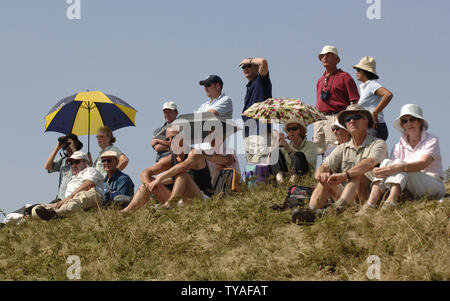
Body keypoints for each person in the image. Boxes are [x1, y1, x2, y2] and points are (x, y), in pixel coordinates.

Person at [357, 104, 446, 215]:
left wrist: (401, 167)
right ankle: (371, 203)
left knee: (399, 164)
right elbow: (391, 169)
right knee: (386, 162)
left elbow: (423, 163)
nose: (408, 123)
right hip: (409, 186)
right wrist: (379, 171)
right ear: (402, 125)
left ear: (420, 122)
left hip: (432, 184)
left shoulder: (431, 140)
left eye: (412, 119)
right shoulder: (398, 146)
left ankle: (391, 201)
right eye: (404, 121)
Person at [305, 104, 387, 218]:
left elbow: (369, 163)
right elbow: (325, 165)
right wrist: (321, 174)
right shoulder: (342, 148)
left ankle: (335, 210)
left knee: (357, 175)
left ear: (366, 121)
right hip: (347, 196)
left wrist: (345, 175)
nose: (351, 121)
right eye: (348, 119)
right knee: (326, 179)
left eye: (357, 117)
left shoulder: (378, 143)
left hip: (368, 196)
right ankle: (311, 212)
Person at [123, 125, 213, 211]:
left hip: (202, 200)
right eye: (167, 139)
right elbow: (145, 172)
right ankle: (126, 212)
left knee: (182, 176)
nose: (170, 141)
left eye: (173, 137)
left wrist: (160, 179)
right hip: (181, 201)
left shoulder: (195, 153)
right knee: (147, 183)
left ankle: (169, 206)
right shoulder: (171, 158)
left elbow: (183, 166)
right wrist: (149, 184)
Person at [314, 45, 360, 157]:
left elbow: (354, 101)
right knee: (318, 148)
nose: (325, 57)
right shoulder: (320, 80)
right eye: (322, 56)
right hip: (320, 118)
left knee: (334, 147)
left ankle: (334, 171)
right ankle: (323, 172)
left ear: (336, 59)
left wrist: (348, 119)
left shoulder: (345, 76)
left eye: (328, 55)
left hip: (336, 116)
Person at [32, 151, 104, 220]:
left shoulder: (90, 170)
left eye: (76, 162)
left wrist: (70, 196)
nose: (73, 165)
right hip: (69, 201)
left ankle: (55, 214)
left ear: (85, 162)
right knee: (36, 208)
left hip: (90, 196)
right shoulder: (72, 180)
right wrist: (64, 201)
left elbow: (88, 184)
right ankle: (51, 214)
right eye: (71, 163)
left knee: (81, 197)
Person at [239, 57, 272, 163]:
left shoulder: (261, 81)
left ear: (257, 68)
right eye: (243, 67)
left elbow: (263, 62)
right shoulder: (250, 85)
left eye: (248, 66)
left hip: (261, 131)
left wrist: (249, 60)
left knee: (261, 167)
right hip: (250, 133)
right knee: (251, 170)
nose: (245, 68)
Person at [353, 56, 393, 140]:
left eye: (358, 70)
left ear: (365, 71)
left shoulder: (372, 84)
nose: (356, 72)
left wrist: (375, 113)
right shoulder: (365, 87)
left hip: (375, 127)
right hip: (370, 127)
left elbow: (388, 94)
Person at [268, 118, 317, 183]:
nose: (291, 131)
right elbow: (269, 163)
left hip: (304, 177)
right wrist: (275, 145)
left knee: (298, 155)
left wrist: (288, 149)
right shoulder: (286, 147)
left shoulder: (311, 145)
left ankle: (291, 183)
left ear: (301, 130)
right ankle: (280, 182)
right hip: (286, 177)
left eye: (294, 129)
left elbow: (306, 163)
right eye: (288, 129)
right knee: (275, 153)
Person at [44, 133, 84, 201]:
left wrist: (73, 147)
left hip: (74, 198)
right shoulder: (63, 160)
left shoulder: (82, 158)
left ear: (76, 144)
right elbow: (47, 167)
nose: (68, 148)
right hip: (61, 198)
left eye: (69, 144)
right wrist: (58, 147)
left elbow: (79, 163)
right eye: (66, 146)